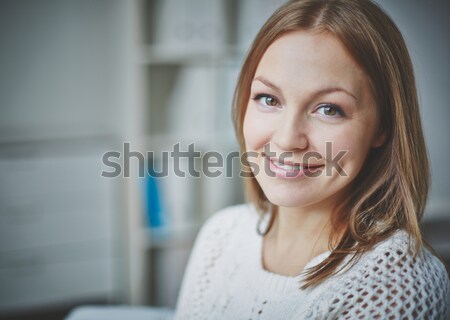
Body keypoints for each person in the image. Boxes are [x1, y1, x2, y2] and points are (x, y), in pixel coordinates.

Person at [174, 0, 450, 319]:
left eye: (329, 109)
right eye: (269, 99)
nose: (287, 139)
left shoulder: (398, 287)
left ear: (383, 127)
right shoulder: (220, 235)